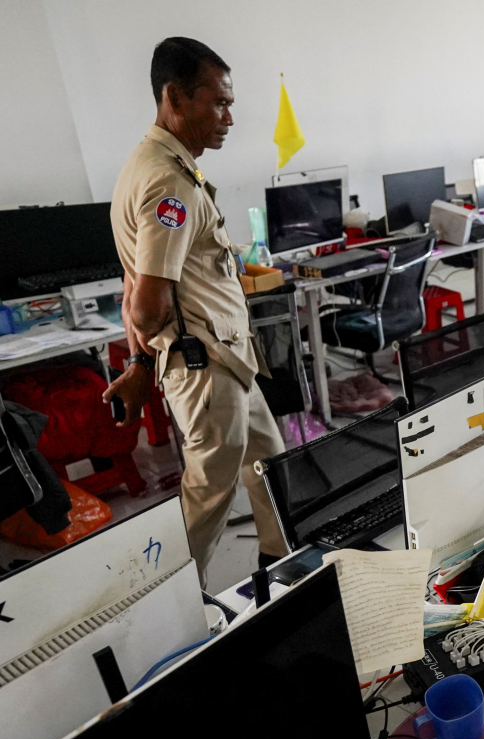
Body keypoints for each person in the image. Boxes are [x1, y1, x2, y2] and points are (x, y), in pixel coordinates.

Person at [106, 37, 286, 586]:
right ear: (175, 99)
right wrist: (142, 363)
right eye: (218, 103)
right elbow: (146, 306)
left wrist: (140, 362)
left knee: (273, 467)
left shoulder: (154, 165)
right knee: (210, 494)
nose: (229, 117)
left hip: (227, 360)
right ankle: (171, 602)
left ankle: (282, 570)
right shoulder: (169, 183)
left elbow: (134, 287)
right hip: (205, 368)